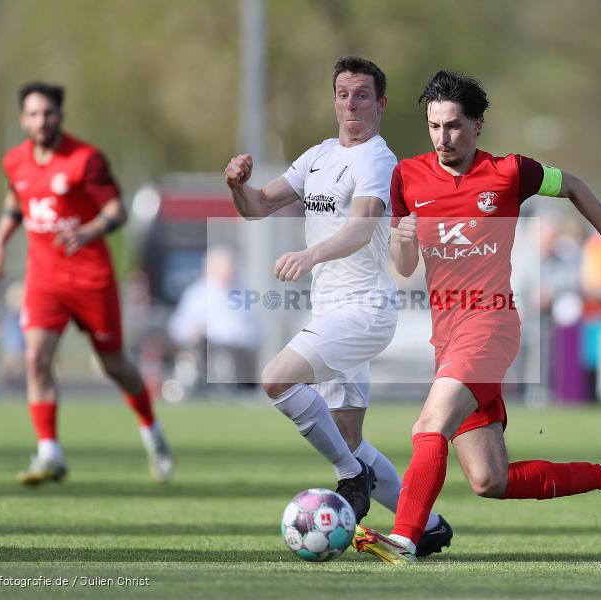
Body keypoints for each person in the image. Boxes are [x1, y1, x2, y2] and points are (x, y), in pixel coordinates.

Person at [353, 71, 601, 563]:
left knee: (429, 424)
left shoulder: (510, 172)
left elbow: (574, 186)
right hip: (447, 339)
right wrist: (402, 243)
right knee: (489, 478)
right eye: (434, 126)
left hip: (491, 324)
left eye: (453, 125)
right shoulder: (408, 176)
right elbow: (404, 267)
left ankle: (404, 539)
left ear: (477, 125)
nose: (443, 137)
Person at [223, 56, 451, 557]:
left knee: (277, 379)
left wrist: (309, 255)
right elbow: (258, 206)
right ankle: (429, 525)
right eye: (343, 94)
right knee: (348, 439)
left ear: (380, 104)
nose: (351, 104)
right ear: (334, 100)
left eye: (362, 95)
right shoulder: (318, 156)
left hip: (364, 310)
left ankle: (352, 479)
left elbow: (362, 228)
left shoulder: (377, 160)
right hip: (331, 313)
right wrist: (238, 185)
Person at [0, 82, 173, 485]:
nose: (41, 121)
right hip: (44, 279)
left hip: (90, 279)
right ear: (23, 119)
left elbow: (117, 211)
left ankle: (151, 430)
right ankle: (49, 453)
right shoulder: (14, 161)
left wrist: (86, 232)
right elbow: (16, 202)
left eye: (48, 113)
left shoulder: (85, 160)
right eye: (33, 114)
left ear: (60, 116)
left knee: (113, 365)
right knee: (36, 358)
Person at [167, 245, 260, 391]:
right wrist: (193, 331)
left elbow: (254, 326)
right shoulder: (198, 293)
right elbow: (180, 325)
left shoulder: (243, 291)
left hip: (240, 351)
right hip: (210, 349)